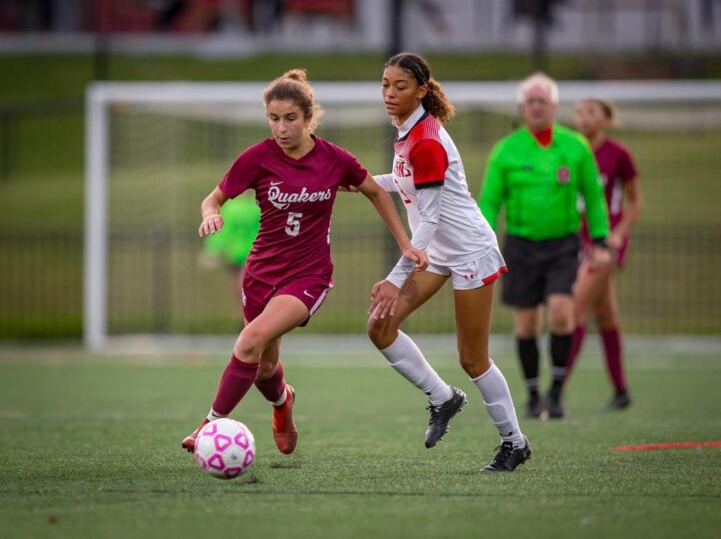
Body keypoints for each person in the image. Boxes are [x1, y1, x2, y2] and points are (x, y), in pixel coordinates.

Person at [181, 69, 427, 456]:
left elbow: (377, 192)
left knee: (248, 341)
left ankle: (207, 427)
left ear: (309, 118)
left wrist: (405, 243)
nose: (281, 128)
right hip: (260, 275)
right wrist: (210, 213)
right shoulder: (257, 158)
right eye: (274, 119)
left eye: (290, 118)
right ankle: (283, 404)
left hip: (308, 277)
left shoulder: (334, 159)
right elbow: (212, 198)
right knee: (263, 367)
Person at [364, 52, 530, 473]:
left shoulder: (427, 141)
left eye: (399, 86)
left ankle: (515, 442)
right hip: (434, 250)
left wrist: (393, 277)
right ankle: (443, 398)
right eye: (385, 84)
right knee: (380, 327)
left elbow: (432, 216)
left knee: (473, 359)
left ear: (421, 90)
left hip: (469, 251)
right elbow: (405, 184)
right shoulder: (407, 131)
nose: (389, 93)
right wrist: (356, 180)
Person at [478, 72, 611, 420]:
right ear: (523, 108)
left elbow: (594, 198)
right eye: (531, 102)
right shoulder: (506, 150)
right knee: (525, 324)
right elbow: (490, 201)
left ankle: (556, 393)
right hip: (521, 246)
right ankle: (534, 395)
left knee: (561, 313)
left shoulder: (575, 147)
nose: (537, 107)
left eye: (543, 101)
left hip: (563, 245)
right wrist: (483, 239)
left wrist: (600, 239)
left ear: (553, 106)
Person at [566, 99, 643, 410]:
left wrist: (617, 235)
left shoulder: (618, 154)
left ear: (606, 118)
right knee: (606, 314)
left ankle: (554, 390)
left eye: (591, 112)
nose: (583, 118)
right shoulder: (570, 150)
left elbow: (635, 202)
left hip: (605, 245)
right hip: (576, 240)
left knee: (575, 307)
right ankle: (621, 390)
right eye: (579, 112)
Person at [199, 192, 261, 319]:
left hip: (246, 257)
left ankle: (250, 323)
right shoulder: (248, 207)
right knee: (241, 294)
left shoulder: (240, 207)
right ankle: (244, 324)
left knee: (243, 292)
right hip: (241, 255)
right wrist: (212, 250)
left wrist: (211, 250)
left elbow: (222, 231)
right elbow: (223, 231)